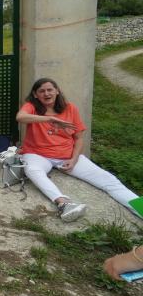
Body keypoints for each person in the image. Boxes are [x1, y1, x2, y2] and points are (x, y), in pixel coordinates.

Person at [16, 77, 139, 222]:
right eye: (41, 91)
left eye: (50, 90)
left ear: (57, 91)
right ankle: (64, 203)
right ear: (36, 95)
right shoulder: (32, 107)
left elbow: (79, 138)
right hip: (38, 154)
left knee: (109, 180)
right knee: (32, 170)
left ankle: (140, 208)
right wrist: (50, 119)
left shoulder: (70, 108)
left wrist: (74, 160)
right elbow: (20, 117)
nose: (46, 93)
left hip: (66, 156)